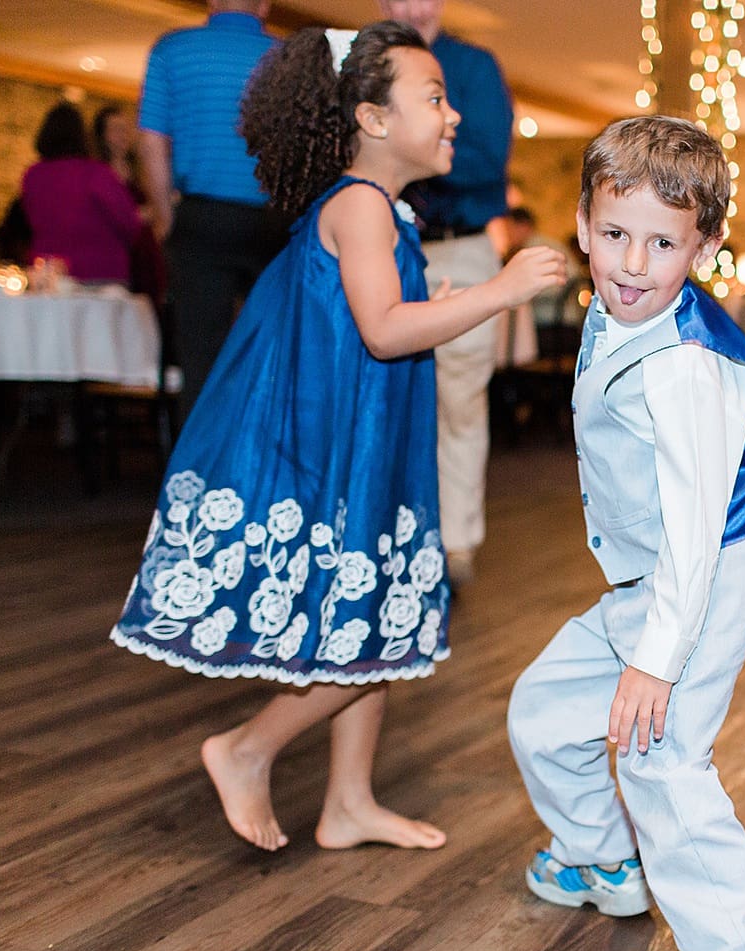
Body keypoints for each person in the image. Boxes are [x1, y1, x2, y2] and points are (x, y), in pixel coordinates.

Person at [111, 23, 566, 853]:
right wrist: (500, 291)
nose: (453, 112)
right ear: (373, 118)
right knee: (366, 628)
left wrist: (437, 288)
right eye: (433, 97)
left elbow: (378, 314)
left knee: (376, 611)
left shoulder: (381, 210)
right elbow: (387, 331)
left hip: (371, 442)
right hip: (339, 452)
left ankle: (348, 801)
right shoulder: (359, 205)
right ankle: (247, 748)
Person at [507, 116, 745, 951]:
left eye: (662, 243)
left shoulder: (688, 364)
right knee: (543, 708)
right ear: (582, 223)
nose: (633, 263)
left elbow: (694, 530)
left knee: (659, 763)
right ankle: (604, 859)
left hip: (702, 581)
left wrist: (656, 658)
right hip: (643, 582)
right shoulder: (613, 311)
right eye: (615, 234)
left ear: (707, 245)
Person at [379, 0, 513, 588]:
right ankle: (387, 534)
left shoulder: (475, 68)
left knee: (459, 400)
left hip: (458, 248)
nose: (410, 5)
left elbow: (486, 160)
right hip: (380, 245)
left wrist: (401, 152)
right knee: (386, 398)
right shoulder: (367, 59)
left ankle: (455, 543)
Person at [139, 0, 286, 423]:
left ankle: (197, 482)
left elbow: (152, 143)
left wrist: (167, 220)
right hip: (274, 219)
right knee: (275, 354)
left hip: (201, 218)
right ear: (265, 4)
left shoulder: (172, 49)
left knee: (201, 360)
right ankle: (267, 478)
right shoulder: (285, 55)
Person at [19, 102, 143, 284]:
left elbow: (29, 222)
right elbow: (129, 221)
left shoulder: (32, 176)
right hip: (100, 272)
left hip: (48, 272)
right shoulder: (96, 173)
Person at [93, 102, 168, 304]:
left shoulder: (138, 170)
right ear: (103, 135)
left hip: (144, 250)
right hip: (116, 249)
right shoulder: (100, 173)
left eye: (125, 129)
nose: (123, 135)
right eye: (116, 129)